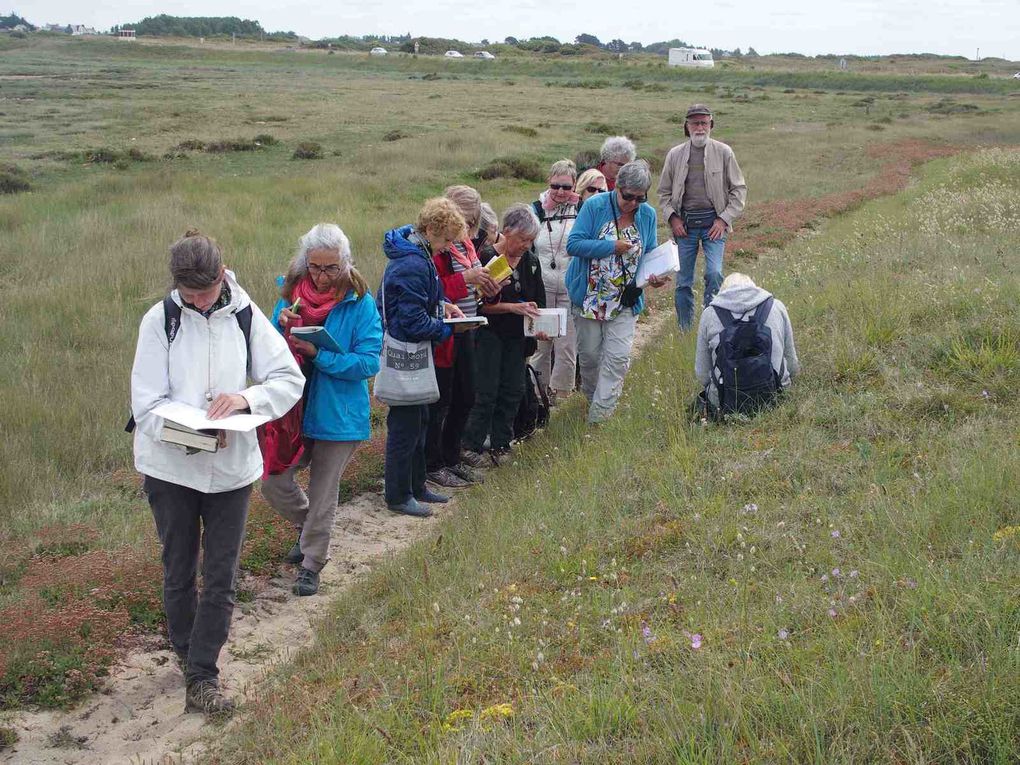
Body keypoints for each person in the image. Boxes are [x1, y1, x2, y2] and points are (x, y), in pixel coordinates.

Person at [131, 230, 303, 715]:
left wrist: (246, 398)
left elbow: (289, 378)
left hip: (231, 470)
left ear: (221, 273)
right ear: (177, 285)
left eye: (205, 291)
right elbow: (146, 406)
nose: (199, 300)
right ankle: (187, 652)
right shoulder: (159, 321)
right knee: (179, 570)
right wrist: (194, 432)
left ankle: (203, 677)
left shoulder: (245, 315)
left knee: (222, 574)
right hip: (169, 469)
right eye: (189, 294)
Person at [261, 224, 383, 597]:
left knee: (323, 492)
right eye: (315, 266)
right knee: (273, 483)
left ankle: (312, 565)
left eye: (331, 268)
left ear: (345, 264)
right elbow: (266, 353)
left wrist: (320, 355)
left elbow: (367, 363)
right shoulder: (290, 295)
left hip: (338, 412)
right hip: (291, 411)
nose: (322, 276)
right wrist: (280, 330)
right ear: (305, 262)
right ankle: (309, 528)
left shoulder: (359, 301)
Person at [379, 198, 466, 517]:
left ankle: (417, 486)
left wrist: (442, 304)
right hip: (405, 354)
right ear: (430, 231)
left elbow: (419, 300)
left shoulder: (416, 255)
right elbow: (409, 322)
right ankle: (398, 494)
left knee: (421, 421)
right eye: (445, 240)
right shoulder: (412, 262)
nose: (447, 248)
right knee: (404, 427)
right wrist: (447, 329)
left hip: (415, 354)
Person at [566, 161, 670, 424]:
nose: (633, 203)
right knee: (590, 359)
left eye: (640, 197)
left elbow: (649, 253)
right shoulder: (595, 206)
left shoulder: (647, 214)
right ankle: (593, 401)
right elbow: (574, 244)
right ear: (617, 188)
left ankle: (599, 419)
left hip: (625, 300)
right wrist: (611, 247)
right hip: (589, 297)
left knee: (617, 359)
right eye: (628, 196)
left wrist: (654, 278)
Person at [425, 185, 501, 488]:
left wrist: (486, 284)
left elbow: (473, 277)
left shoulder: (466, 244)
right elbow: (432, 289)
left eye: (472, 222)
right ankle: (433, 462)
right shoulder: (436, 247)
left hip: (468, 326)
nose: (467, 229)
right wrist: (466, 279)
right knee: (441, 401)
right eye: (463, 221)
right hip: (444, 333)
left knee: (466, 395)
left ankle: (451, 456)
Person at [462, 204, 547, 466]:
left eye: (531, 241)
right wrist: (513, 307)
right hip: (489, 334)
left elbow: (537, 302)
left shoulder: (531, 262)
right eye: (522, 239)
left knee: (513, 389)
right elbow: (478, 305)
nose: (525, 245)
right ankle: (470, 446)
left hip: (517, 337)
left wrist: (543, 325)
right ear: (507, 231)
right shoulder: (487, 259)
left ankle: (501, 443)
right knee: (485, 392)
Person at [657, 103, 747, 330]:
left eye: (704, 123)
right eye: (695, 123)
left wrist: (723, 219)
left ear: (711, 125)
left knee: (714, 273)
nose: (700, 128)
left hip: (714, 225)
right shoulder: (675, 155)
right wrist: (673, 219)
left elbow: (739, 190)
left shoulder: (724, 152)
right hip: (684, 226)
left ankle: (712, 325)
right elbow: (663, 193)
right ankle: (685, 329)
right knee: (683, 282)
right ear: (686, 127)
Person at [695, 272, 799, 415]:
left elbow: (702, 375)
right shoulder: (776, 306)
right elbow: (793, 366)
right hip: (776, 396)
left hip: (725, 404)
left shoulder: (709, 314)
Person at [530, 159, 580, 405]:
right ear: (548, 183)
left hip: (570, 287)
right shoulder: (535, 210)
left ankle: (561, 396)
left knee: (567, 346)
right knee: (542, 343)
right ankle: (537, 393)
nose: (560, 192)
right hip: (542, 286)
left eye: (567, 187)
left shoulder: (582, 211)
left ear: (574, 186)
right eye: (555, 185)